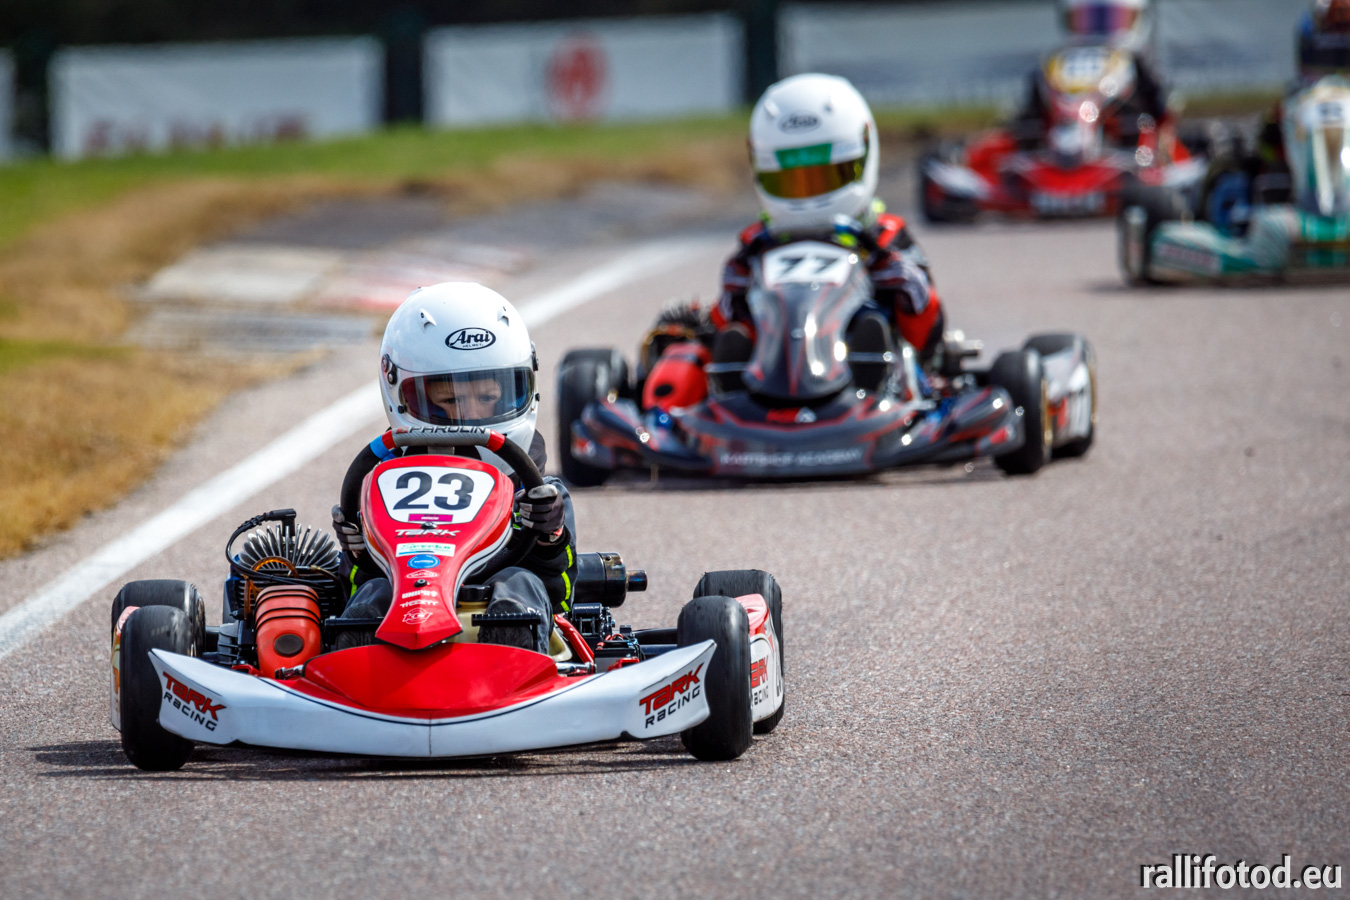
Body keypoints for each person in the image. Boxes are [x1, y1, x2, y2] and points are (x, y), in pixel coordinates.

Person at [330, 282, 577, 654]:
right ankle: (357, 660)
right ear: (400, 392)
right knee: (372, 592)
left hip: (502, 641)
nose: (472, 414)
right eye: (449, 399)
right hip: (404, 613)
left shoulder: (539, 492)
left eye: (489, 397)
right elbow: (353, 583)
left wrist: (550, 537)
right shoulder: (381, 486)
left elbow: (562, 598)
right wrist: (359, 551)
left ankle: (514, 647)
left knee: (519, 583)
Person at [683, 73, 944, 392]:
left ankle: (870, 365)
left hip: (872, 385)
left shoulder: (887, 238)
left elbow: (929, 337)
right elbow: (720, 323)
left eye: (826, 176)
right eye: (791, 181)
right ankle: (733, 380)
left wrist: (907, 289)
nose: (809, 195)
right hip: (769, 372)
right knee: (723, 340)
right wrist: (730, 307)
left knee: (872, 323)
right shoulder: (755, 246)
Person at [1199, 0, 1350, 231]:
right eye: (1329, 53)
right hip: (1295, 205)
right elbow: (1263, 148)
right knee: (1230, 173)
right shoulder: (1295, 104)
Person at [1011, 0, 1170, 149]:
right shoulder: (1056, 62)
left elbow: (1156, 105)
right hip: (1064, 124)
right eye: (1088, 18)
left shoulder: (1130, 62)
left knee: (1141, 109)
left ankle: (1133, 143)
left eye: (1111, 18)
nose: (1099, 31)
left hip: (1124, 139)